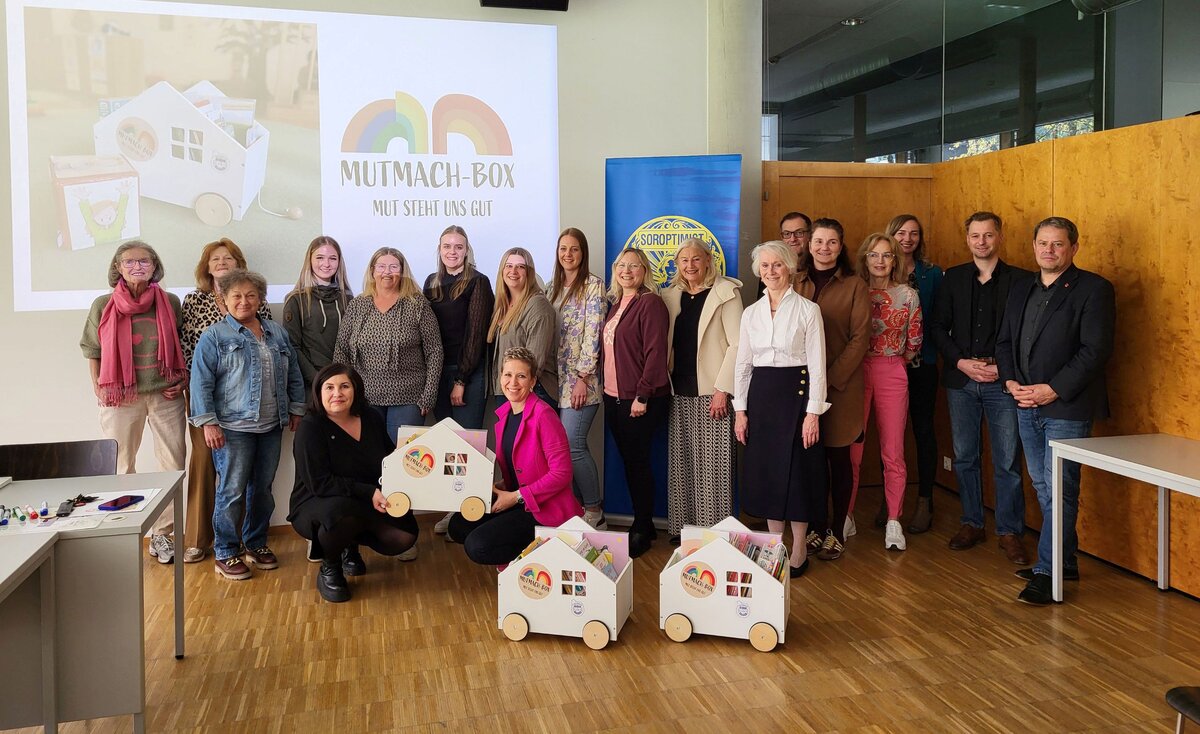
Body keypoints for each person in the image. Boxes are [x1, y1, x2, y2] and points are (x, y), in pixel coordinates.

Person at [997, 217, 1114, 606]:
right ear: (1033, 246)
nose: (1049, 250)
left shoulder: (1094, 290)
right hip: (1024, 401)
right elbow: (1005, 342)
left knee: (1060, 489)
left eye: (1058, 244)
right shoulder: (1019, 288)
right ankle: (1065, 561)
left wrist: (1051, 390)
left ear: (1074, 248)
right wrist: (1012, 383)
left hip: (1066, 405)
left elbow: (1094, 351)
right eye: (1043, 243)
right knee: (1044, 486)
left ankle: (1048, 573)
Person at [929, 212, 1032, 565]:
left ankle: (1009, 531)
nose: (982, 242)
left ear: (999, 237)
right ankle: (972, 522)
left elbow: (1027, 335)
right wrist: (960, 362)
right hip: (961, 380)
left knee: (1007, 461)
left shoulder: (1022, 281)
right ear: (967, 238)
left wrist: (1001, 369)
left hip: (1003, 382)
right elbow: (938, 327)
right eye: (975, 236)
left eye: (988, 235)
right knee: (965, 456)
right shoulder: (952, 278)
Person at [190, 270, 305, 581]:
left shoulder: (276, 333)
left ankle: (256, 544)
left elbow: (293, 372)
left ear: (260, 299)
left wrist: (296, 407)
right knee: (231, 491)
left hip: (271, 426)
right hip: (231, 429)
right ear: (223, 300)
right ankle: (226, 551)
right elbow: (200, 383)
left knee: (262, 491)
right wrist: (208, 424)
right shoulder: (214, 337)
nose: (244, 301)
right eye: (236, 296)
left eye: (251, 295)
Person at [80, 240, 187, 564]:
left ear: (155, 267)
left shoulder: (170, 302)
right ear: (118, 268)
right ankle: (124, 531)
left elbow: (182, 347)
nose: (138, 266)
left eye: (145, 261)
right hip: (121, 398)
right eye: (130, 262)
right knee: (120, 465)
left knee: (172, 466)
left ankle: (162, 535)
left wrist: (181, 379)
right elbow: (91, 350)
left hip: (165, 396)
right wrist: (99, 387)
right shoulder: (103, 305)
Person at [734, 241, 829, 577]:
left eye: (777, 265)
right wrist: (740, 411)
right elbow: (743, 364)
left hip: (797, 396)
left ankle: (799, 545)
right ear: (758, 271)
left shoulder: (808, 310)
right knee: (768, 473)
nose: (771, 271)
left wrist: (813, 413)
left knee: (799, 473)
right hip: (761, 398)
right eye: (765, 266)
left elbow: (818, 366)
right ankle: (775, 545)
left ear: (789, 267)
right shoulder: (750, 313)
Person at [288, 364, 419, 603]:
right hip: (318, 502)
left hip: (364, 498)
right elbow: (319, 484)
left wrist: (410, 457)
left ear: (356, 390)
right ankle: (330, 567)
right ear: (318, 392)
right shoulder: (310, 428)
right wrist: (369, 492)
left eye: (344, 386)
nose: (337, 393)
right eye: (329, 387)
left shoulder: (371, 417)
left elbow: (388, 459)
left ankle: (351, 547)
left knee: (405, 535)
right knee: (340, 512)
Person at [179, 237, 272, 564]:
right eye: (215, 259)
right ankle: (203, 541)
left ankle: (247, 541)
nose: (221, 262)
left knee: (252, 478)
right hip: (209, 401)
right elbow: (188, 350)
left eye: (228, 258)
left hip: (256, 405)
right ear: (207, 266)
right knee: (209, 468)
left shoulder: (258, 304)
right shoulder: (194, 302)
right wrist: (205, 411)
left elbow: (272, 355)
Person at [447, 347, 583, 564]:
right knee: (458, 525)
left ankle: (533, 558)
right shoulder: (504, 416)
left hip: (544, 508)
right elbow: (518, 467)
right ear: (500, 377)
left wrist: (516, 496)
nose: (513, 382)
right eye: (508, 374)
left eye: (521, 376)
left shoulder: (544, 415)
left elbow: (563, 473)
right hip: (519, 498)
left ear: (532, 381)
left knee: (478, 546)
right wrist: (501, 486)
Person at [794, 219, 869, 561]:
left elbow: (860, 339)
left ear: (841, 247)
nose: (825, 248)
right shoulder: (795, 281)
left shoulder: (855, 285)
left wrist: (828, 378)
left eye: (832, 242)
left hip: (840, 387)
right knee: (809, 462)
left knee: (838, 460)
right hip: (799, 387)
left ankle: (837, 530)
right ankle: (815, 527)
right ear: (809, 245)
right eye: (819, 241)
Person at [662, 238, 742, 540]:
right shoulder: (671, 295)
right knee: (681, 462)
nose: (690, 265)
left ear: (708, 260)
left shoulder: (726, 293)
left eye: (696, 259)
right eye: (684, 260)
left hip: (713, 391)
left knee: (713, 465)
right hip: (678, 389)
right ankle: (684, 529)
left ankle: (714, 532)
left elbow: (737, 345)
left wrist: (723, 388)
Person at [849, 233, 922, 552]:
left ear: (896, 259)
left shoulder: (908, 294)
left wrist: (893, 362)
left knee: (893, 451)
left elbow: (914, 341)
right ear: (864, 258)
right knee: (852, 449)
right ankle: (845, 513)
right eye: (873, 255)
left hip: (893, 370)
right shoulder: (854, 290)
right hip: (855, 372)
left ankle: (894, 519)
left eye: (887, 255)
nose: (880, 261)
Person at [423, 225, 495, 538]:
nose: (453, 252)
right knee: (449, 447)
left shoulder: (479, 282)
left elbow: (477, 335)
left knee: (469, 447)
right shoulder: (431, 282)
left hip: (468, 372)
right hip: (437, 372)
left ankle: (470, 516)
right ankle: (455, 509)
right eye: (447, 246)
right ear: (439, 250)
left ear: (467, 251)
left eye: (459, 247)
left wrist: (461, 379)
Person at [601, 248, 670, 558]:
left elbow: (656, 353)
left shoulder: (650, 303)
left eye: (635, 266)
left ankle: (642, 527)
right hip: (614, 396)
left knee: (638, 463)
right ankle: (645, 522)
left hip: (640, 398)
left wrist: (642, 394)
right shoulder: (614, 306)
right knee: (630, 461)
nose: (627, 271)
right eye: (622, 265)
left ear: (645, 271)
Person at [334, 247, 443, 442]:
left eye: (393, 267)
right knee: (370, 458)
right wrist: (343, 391)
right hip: (365, 397)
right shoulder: (358, 305)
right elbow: (341, 350)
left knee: (402, 462)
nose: (387, 272)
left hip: (409, 398)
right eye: (382, 266)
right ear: (373, 270)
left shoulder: (417, 304)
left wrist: (429, 394)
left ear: (402, 271)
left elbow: (434, 350)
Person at [886, 215, 943, 534]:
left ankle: (925, 501)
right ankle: (891, 500)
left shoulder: (932, 273)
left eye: (914, 234)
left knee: (923, 431)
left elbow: (937, 316)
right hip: (887, 365)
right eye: (901, 233)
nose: (907, 239)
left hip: (924, 364)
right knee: (889, 436)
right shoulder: (879, 269)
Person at [546, 228, 606, 529]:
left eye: (574, 249)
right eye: (563, 249)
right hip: (552, 381)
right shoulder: (550, 287)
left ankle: (595, 510)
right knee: (559, 449)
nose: (568, 254)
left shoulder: (593, 286)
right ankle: (576, 509)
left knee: (574, 444)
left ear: (583, 254)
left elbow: (594, 333)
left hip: (582, 380)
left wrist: (583, 376)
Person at [488, 247, 557, 406]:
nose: (514, 271)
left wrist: (515, 390)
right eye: (509, 265)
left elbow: (535, 362)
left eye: (520, 266)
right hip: (509, 391)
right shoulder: (503, 306)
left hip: (532, 392)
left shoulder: (538, 305)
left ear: (529, 273)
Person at [282, 235, 352, 390]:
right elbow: (292, 347)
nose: (326, 264)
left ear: (339, 262)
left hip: (343, 381)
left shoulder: (348, 299)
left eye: (333, 258)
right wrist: (317, 380)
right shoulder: (295, 300)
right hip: (312, 384)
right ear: (310, 260)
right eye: (320, 257)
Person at [757, 211, 812, 298]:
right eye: (787, 234)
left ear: (810, 235)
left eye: (799, 233)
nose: (793, 239)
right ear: (782, 237)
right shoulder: (770, 270)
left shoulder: (817, 269)